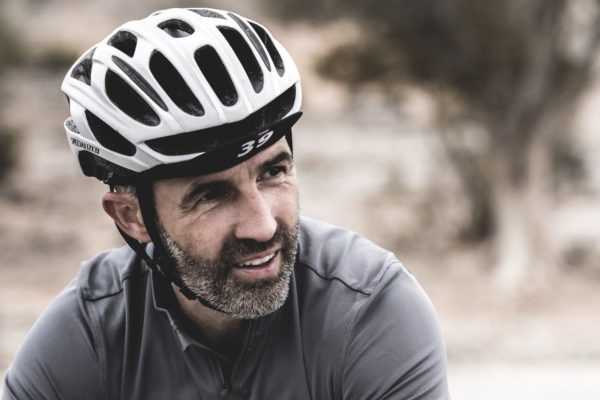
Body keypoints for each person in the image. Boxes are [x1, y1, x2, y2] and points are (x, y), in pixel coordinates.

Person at [2, 8, 449, 399]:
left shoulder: (369, 308)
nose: (263, 226)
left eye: (273, 172)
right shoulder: (89, 333)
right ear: (132, 217)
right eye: (211, 195)